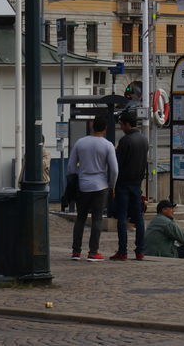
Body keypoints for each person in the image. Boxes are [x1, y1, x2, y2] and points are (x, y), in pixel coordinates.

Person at [69, 117, 118, 262]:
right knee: (97, 219)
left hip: (83, 184)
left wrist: (78, 177)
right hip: (100, 185)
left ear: (91, 126)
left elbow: (71, 166)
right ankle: (93, 252)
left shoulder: (80, 142)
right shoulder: (107, 145)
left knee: (80, 218)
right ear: (105, 129)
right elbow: (114, 169)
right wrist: (112, 185)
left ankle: (76, 252)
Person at [111, 111, 149, 261]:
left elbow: (118, 164)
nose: (121, 127)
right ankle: (140, 250)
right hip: (137, 183)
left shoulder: (126, 141)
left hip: (123, 184)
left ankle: (123, 251)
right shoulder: (143, 140)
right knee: (138, 217)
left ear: (127, 124)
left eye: (121, 124)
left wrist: (113, 183)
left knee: (122, 217)